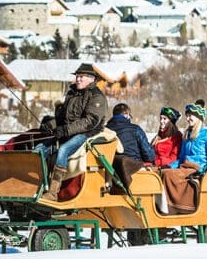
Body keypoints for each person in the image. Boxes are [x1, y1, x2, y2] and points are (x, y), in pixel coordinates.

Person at [39, 62, 108, 200]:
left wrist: (65, 130)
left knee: (63, 150)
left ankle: (53, 192)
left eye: (81, 76)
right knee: (39, 149)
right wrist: (50, 125)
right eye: (77, 76)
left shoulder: (97, 97)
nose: (78, 79)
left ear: (91, 78)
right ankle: (37, 186)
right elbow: (62, 117)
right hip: (68, 131)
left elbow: (90, 122)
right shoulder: (72, 94)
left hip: (86, 134)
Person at [161, 100, 207, 213]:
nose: (188, 118)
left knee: (168, 175)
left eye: (190, 116)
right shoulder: (187, 134)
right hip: (185, 166)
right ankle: (165, 205)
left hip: (197, 168)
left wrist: (205, 170)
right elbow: (182, 157)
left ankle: (171, 208)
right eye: (187, 116)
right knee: (164, 172)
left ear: (199, 118)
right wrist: (169, 165)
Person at [106, 102, 155, 190]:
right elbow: (149, 156)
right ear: (127, 115)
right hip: (133, 169)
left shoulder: (106, 130)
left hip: (112, 171)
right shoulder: (135, 129)